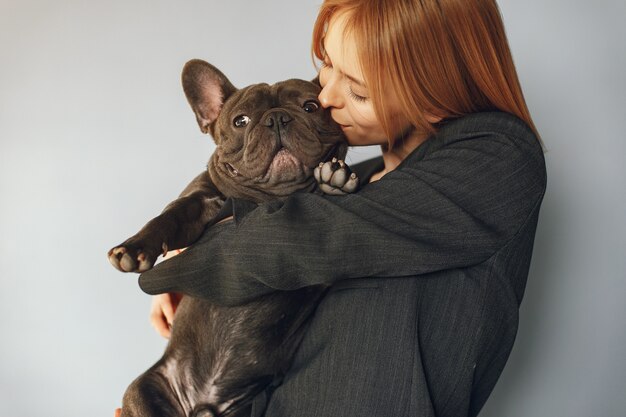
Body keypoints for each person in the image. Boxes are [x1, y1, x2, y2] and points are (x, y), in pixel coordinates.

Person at [136, 0, 547, 416]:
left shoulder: (497, 156)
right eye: (327, 64)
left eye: (358, 90)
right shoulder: (349, 180)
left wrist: (187, 258)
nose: (327, 95)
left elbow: (299, 238)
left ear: (432, 98)